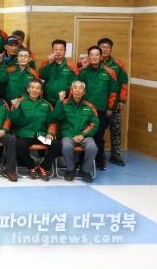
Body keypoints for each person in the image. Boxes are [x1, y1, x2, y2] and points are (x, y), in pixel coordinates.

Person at [10, 79, 60, 181]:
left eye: (38, 88)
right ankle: (32, 167)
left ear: (41, 91)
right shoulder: (20, 102)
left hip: (41, 136)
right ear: (28, 89)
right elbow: (15, 122)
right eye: (32, 87)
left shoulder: (46, 104)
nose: (35, 90)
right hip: (26, 134)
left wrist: (50, 133)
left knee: (56, 144)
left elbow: (52, 122)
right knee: (20, 145)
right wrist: (15, 108)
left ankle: (43, 167)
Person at [79, 45, 119, 171]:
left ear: (101, 57)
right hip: (85, 110)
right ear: (88, 57)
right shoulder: (84, 71)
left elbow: (113, 92)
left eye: (97, 55)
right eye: (91, 55)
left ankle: (99, 161)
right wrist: (82, 68)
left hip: (101, 110)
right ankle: (82, 161)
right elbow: (76, 86)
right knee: (84, 135)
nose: (94, 57)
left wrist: (110, 108)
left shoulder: (109, 72)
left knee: (99, 136)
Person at [53, 81, 99, 183]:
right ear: (71, 90)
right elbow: (55, 117)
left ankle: (85, 171)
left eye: (80, 88)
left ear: (84, 92)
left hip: (85, 136)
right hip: (68, 135)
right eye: (75, 87)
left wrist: (82, 135)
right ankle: (70, 170)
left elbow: (94, 124)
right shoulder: (63, 103)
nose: (77, 90)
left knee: (92, 147)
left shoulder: (89, 106)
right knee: (66, 147)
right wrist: (60, 101)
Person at [97, 37, 129, 166]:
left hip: (115, 103)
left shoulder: (118, 64)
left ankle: (115, 154)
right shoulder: (93, 61)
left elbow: (124, 83)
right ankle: (99, 154)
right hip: (98, 103)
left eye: (107, 47)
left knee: (115, 129)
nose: (105, 49)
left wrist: (122, 100)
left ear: (111, 49)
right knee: (98, 130)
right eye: (102, 47)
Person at [39, 39, 79, 106]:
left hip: (64, 100)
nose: (58, 52)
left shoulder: (72, 65)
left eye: (61, 50)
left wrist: (69, 99)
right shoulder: (45, 63)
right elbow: (42, 76)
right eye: (55, 49)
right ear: (52, 50)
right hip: (47, 100)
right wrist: (49, 63)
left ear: (65, 51)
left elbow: (74, 84)